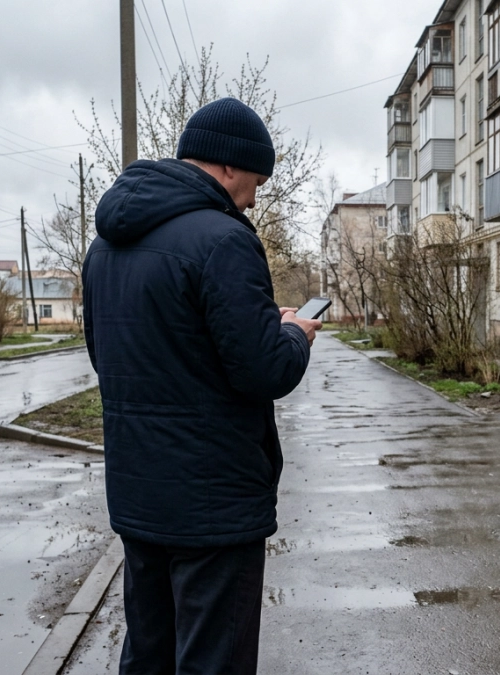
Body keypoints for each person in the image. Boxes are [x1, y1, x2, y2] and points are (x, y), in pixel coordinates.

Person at [82, 97, 321, 674]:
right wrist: (294, 335)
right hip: (214, 502)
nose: (256, 197)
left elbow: (109, 358)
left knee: (149, 654)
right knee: (214, 659)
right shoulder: (223, 239)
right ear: (229, 166)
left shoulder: (104, 248)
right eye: (256, 181)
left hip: (140, 493)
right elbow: (265, 371)